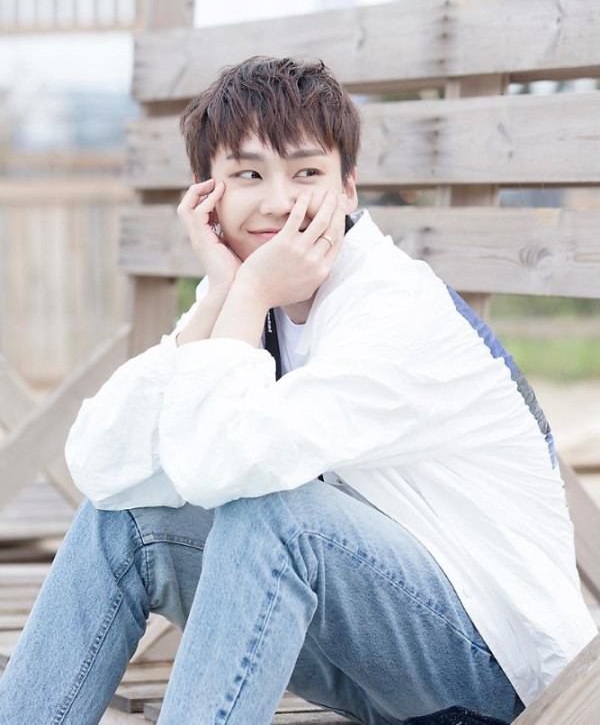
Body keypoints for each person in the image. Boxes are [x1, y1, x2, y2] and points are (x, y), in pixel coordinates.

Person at [0, 57, 595, 725]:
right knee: (125, 517)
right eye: (248, 175)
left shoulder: (391, 308)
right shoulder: (258, 296)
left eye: (306, 173)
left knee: (277, 516)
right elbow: (102, 466)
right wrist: (221, 296)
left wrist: (248, 289)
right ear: (206, 196)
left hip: (500, 672)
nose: (279, 202)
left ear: (348, 189)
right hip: (375, 658)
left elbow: (218, 468)